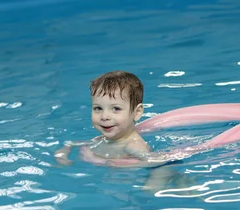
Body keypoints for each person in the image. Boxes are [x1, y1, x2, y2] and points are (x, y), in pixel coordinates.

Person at [54, 70, 185, 168]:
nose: (104, 116)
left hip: (157, 171)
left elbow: (158, 161)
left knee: (151, 188)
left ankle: (182, 182)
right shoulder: (100, 140)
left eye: (116, 109)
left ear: (137, 112)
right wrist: (64, 151)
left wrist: (106, 162)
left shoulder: (132, 146)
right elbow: (73, 143)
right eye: (98, 108)